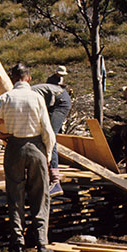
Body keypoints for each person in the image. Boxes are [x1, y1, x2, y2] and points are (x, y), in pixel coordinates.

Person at [0, 63, 55, 252]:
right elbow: (47, 129)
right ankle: (41, 242)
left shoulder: (6, 98)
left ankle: (18, 241)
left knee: (15, 195)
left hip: (14, 146)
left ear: (13, 78)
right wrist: (47, 154)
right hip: (36, 146)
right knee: (40, 195)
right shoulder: (37, 97)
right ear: (28, 78)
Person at [29, 65, 72, 195]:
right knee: (44, 136)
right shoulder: (26, 94)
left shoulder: (27, 95)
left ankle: (55, 182)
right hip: (54, 102)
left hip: (60, 102)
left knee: (50, 138)